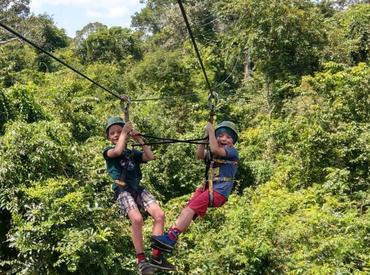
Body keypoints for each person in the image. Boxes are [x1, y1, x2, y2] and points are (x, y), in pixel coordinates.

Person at [151, 121, 239, 253]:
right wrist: (205, 137)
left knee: (190, 209)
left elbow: (215, 149)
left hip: (218, 191)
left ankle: (170, 238)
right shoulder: (214, 154)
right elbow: (199, 154)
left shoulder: (232, 152)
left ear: (232, 142)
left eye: (228, 137)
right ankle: (167, 239)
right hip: (208, 188)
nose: (224, 139)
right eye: (220, 136)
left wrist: (211, 131)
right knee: (187, 209)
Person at [103, 116, 175, 274]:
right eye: (112, 133)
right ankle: (141, 260)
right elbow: (117, 151)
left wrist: (140, 140)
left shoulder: (133, 153)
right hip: (122, 189)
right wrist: (125, 133)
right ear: (108, 137)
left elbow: (150, 156)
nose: (116, 135)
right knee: (137, 219)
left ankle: (157, 256)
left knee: (160, 215)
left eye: (119, 131)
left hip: (137, 188)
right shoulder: (108, 152)